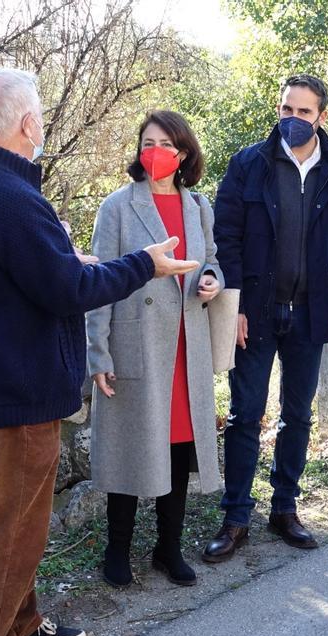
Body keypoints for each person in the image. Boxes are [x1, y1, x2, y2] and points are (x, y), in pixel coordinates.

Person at [0, 68, 198, 636]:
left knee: (16, 520)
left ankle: (19, 624)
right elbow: (71, 289)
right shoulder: (11, 196)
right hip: (15, 392)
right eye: (41, 116)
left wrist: (62, 257)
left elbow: (10, 272)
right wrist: (143, 265)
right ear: (27, 124)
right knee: (12, 531)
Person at [206, 74, 328, 561]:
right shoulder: (248, 165)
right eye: (285, 110)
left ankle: (284, 508)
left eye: (303, 112)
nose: (293, 120)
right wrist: (230, 305)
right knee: (244, 415)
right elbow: (225, 239)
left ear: (321, 116)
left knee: (298, 415)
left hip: (312, 314)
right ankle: (236, 517)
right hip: (253, 313)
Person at [86, 110, 224, 590]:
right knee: (131, 445)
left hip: (187, 345)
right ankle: (117, 548)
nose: (155, 150)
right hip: (135, 342)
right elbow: (98, 282)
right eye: (148, 141)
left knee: (177, 446)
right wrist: (98, 354)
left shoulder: (199, 207)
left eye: (166, 143)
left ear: (183, 153)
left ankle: (168, 547)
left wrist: (211, 279)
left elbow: (213, 261)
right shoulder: (117, 207)